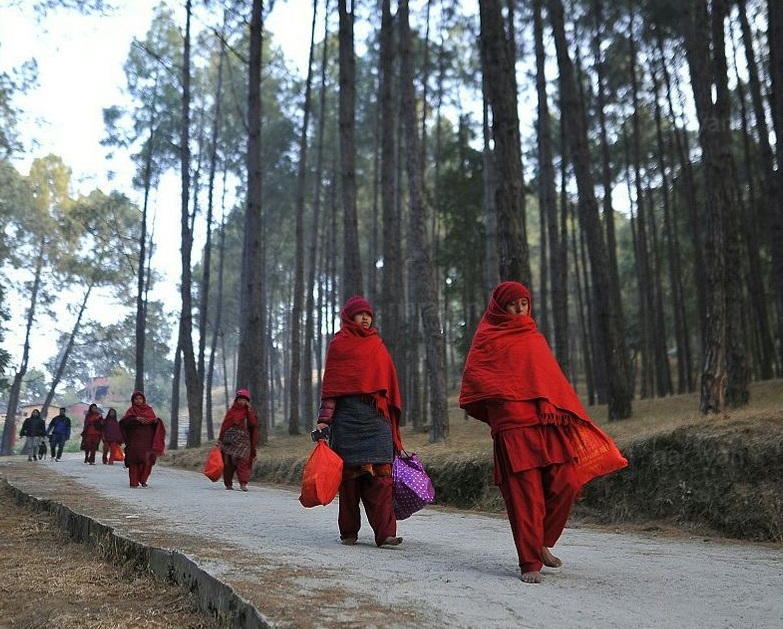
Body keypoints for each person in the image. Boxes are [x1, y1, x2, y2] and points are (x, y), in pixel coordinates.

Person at [459, 281, 628, 583]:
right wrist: (502, 400)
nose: (520, 309)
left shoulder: (533, 337)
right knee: (525, 494)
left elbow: (550, 380)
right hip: (513, 423)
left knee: (567, 479)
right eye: (513, 304)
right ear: (500, 307)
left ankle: (541, 541)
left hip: (546, 422)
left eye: (524, 303)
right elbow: (478, 379)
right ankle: (529, 563)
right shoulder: (487, 338)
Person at [315, 295, 404, 548]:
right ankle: (349, 532)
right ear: (349, 317)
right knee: (350, 480)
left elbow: (389, 386)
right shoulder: (338, 346)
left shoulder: (377, 345)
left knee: (382, 478)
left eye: (369, 314)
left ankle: (385, 534)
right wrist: (324, 422)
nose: (365, 318)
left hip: (377, 421)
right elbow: (331, 390)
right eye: (360, 314)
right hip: (347, 421)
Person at [119, 391, 166, 488]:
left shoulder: (149, 410)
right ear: (133, 400)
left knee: (147, 460)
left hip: (147, 440)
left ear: (143, 400)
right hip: (134, 440)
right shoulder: (131, 411)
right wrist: (135, 419)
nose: (138, 401)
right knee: (134, 460)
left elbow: (153, 423)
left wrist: (156, 422)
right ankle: (134, 482)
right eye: (136, 399)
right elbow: (123, 423)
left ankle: (143, 480)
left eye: (140, 398)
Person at [217, 389, 259, 491]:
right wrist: (220, 439)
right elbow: (225, 425)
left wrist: (249, 411)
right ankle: (228, 483)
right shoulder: (231, 411)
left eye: (244, 400)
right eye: (240, 399)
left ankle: (243, 483)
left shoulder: (248, 412)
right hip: (230, 441)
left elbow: (253, 424)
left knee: (243, 462)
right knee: (228, 463)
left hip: (244, 441)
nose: (242, 402)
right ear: (236, 400)